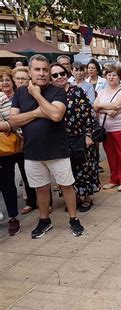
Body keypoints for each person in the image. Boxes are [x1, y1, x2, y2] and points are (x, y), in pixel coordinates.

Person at [9, 54, 85, 238]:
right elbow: (13, 120)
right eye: (37, 69)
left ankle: (73, 219)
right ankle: (44, 220)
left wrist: (36, 96)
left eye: (45, 70)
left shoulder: (57, 91)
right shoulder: (19, 93)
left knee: (66, 186)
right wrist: (38, 112)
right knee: (41, 189)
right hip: (32, 152)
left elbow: (57, 116)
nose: (41, 73)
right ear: (30, 71)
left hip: (57, 150)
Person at [50, 63, 100, 212]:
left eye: (62, 73)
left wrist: (89, 135)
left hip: (80, 137)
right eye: (55, 75)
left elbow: (89, 114)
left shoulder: (77, 91)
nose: (60, 77)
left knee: (85, 168)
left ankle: (87, 198)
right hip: (62, 140)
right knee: (68, 170)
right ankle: (75, 197)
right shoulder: (50, 94)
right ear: (51, 79)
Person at [1, 68, 38, 215]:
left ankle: (32, 201)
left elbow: (15, 120)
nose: (5, 83)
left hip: (24, 141)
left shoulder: (21, 96)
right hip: (7, 145)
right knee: (8, 179)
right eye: (2, 80)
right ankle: (18, 210)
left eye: (7, 80)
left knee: (27, 173)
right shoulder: (2, 97)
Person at [94, 65, 121, 191]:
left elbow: (116, 105)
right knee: (111, 155)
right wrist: (107, 111)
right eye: (109, 74)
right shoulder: (102, 92)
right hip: (106, 129)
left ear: (119, 77)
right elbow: (94, 106)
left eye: (114, 74)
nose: (111, 77)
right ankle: (113, 179)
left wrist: (101, 107)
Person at [0, 91, 20, 235]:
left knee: (7, 183)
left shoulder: (1, 97)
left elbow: (13, 123)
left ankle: (13, 217)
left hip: (2, 150)